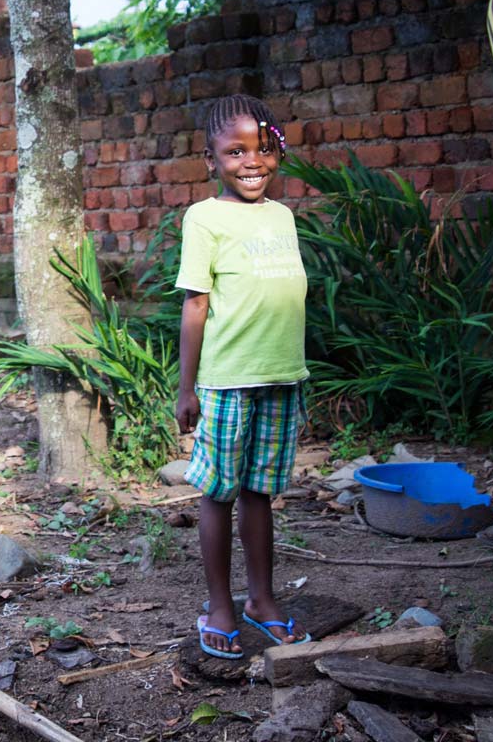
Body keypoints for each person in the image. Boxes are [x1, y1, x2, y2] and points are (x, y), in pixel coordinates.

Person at [174, 94, 312, 659]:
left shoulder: (283, 216)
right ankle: (221, 604)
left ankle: (261, 599)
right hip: (227, 380)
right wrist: (187, 388)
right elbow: (195, 305)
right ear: (211, 160)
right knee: (219, 493)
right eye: (235, 151)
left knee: (260, 493)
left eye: (262, 148)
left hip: (282, 377)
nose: (252, 162)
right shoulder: (204, 217)